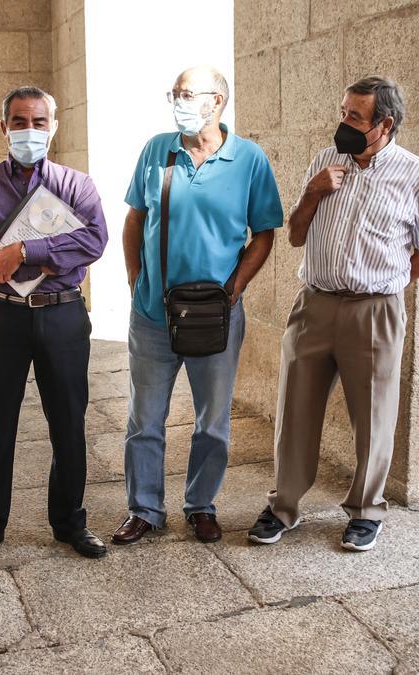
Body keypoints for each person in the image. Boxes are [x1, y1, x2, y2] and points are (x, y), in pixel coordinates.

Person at [246, 76, 419, 553]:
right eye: (344, 111)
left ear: (385, 124)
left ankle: (366, 510)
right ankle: (284, 505)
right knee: (295, 410)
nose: (344, 123)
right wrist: (312, 192)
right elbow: (294, 235)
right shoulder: (324, 162)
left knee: (373, 415)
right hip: (313, 304)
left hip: (373, 311)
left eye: (355, 116)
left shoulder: (418, 177)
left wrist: (380, 286)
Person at [112, 65, 283, 545]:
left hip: (217, 314)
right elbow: (134, 219)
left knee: (213, 420)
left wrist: (236, 287)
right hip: (152, 314)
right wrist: (134, 277)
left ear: (218, 101)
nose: (178, 101)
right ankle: (144, 508)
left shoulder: (249, 159)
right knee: (144, 418)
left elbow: (264, 233)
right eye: (175, 93)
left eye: (188, 94)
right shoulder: (157, 150)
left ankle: (201, 505)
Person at [0, 86, 109, 565]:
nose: (29, 130)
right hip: (2, 317)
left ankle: (70, 523)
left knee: (68, 421)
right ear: (4, 127)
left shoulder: (76, 186)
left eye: (38, 122)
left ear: (53, 127)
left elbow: (94, 241)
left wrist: (23, 252)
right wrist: (33, 258)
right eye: (19, 121)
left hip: (62, 313)